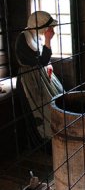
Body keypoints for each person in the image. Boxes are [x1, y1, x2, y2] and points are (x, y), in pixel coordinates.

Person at [15, 10, 64, 149]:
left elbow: (43, 60)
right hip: (29, 79)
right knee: (42, 109)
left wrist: (49, 65)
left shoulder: (35, 34)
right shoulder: (23, 40)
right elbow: (40, 60)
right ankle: (47, 142)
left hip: (40, 73)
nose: (50, 30)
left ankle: (60, 134)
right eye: (48, 28)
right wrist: (48, 40)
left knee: (59, 95)